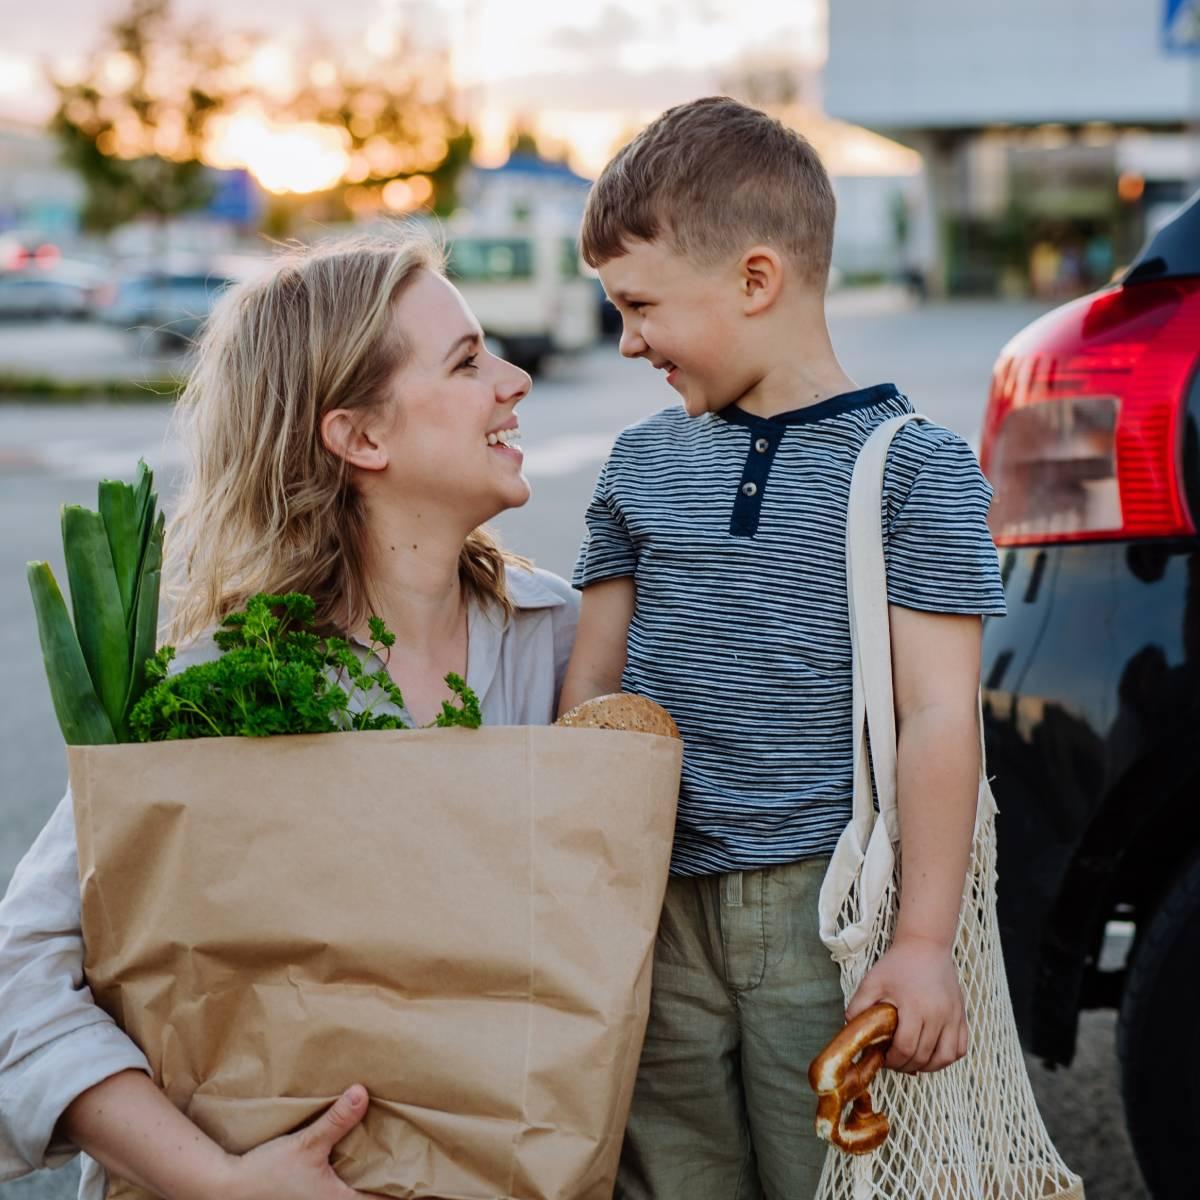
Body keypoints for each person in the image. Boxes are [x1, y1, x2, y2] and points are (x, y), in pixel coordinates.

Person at [0, 231, 578, 1199]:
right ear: (360, 437)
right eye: (469, 361)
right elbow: (20, 978)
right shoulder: (224, 683)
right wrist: (218, 1182)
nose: (515, 380)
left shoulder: (562, 642)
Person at [558, 96, 1007, 1199]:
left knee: (830, 1175)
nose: (628, 340)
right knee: (670, 1176)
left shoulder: (915, 468)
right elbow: (592, 694)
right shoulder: (638, 464)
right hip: (654, 906)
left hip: (827, 913)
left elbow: (941, 717)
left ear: (756, 280)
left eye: (642, 305)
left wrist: (921, 942)